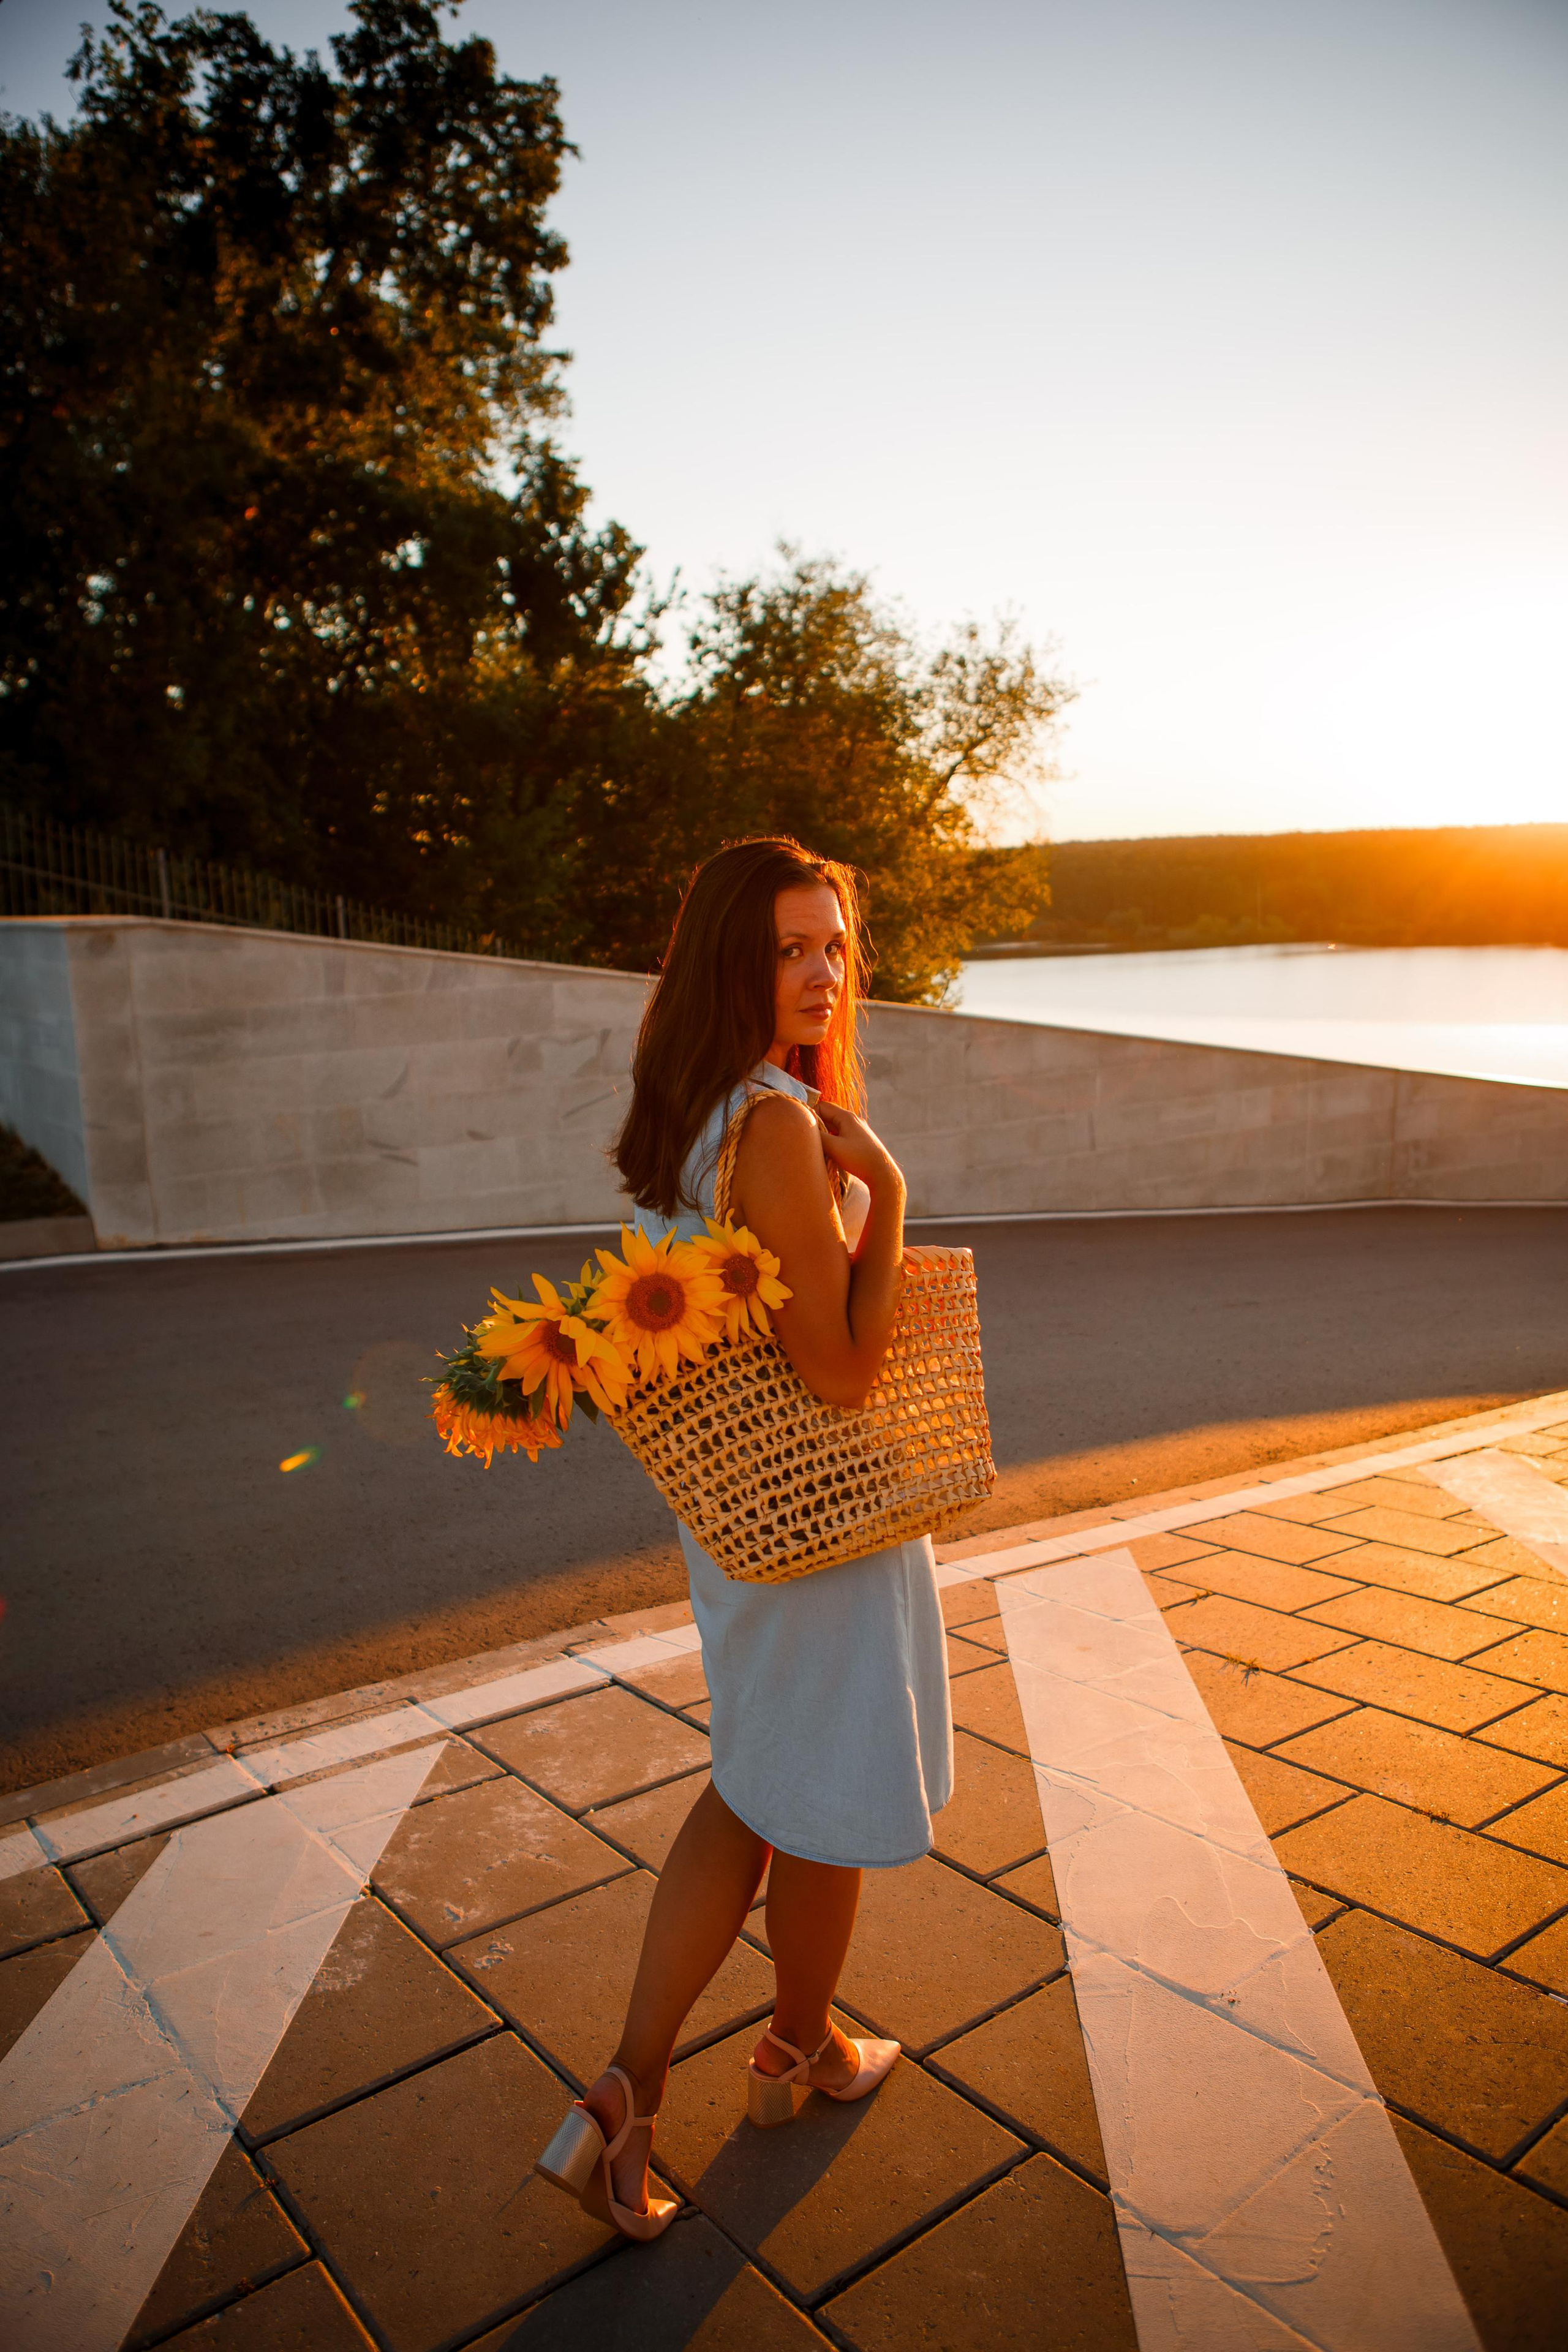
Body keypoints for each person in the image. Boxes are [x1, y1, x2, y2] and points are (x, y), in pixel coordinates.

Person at [535, 836, 953, 2239]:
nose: (823, 974)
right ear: (732, 961)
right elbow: (839, 1370)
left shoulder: (689, 1114)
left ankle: (760, 2059)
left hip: (743, 1525)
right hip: (824, 1520)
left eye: (835, 945)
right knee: (803, 1800)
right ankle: (676, 2078)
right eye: (789, 948)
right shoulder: (776, 1126)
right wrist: (885, 1195)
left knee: (765, 1787)